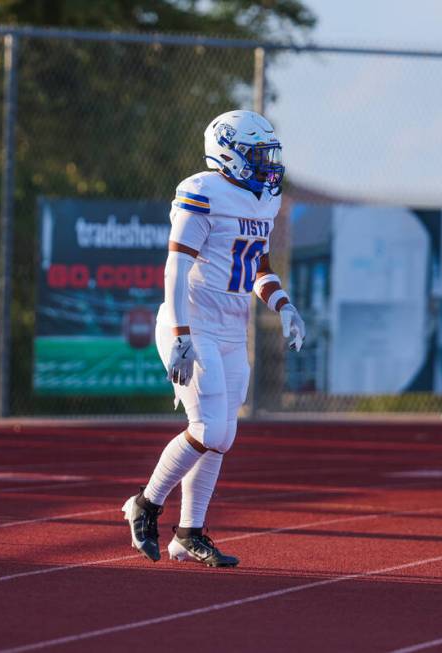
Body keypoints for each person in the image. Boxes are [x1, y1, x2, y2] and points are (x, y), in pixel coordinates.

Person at [121, 110, 306, 567]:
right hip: (194, 324)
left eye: (269, 154)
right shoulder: (202, 191)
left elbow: (256, 268)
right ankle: (144, 504)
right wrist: (181, 334)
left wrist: (285, 307)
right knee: (209, 429)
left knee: (224, 435)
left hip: (230, 329)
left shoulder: (263, 200)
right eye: (258, 154)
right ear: (229, 153)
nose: (268, 164)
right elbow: (176, 266)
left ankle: (188, 533)